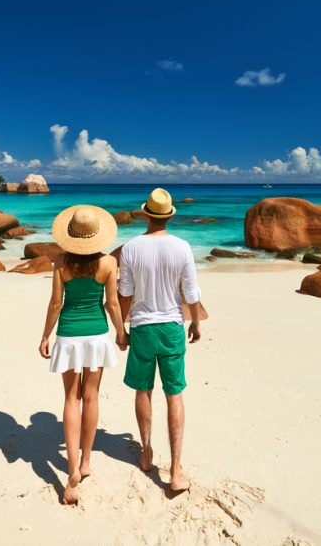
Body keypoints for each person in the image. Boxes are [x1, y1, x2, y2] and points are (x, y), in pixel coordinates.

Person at [39, 205, 128, 505]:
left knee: (70, 399)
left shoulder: (61, 261)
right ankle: (85, 462)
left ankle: (72, 468)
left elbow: (55, 303)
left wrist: (44, 336)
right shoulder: (108, 264)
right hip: (96, 336)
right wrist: (120, 332)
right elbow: (113, 304)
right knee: (90, 397)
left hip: (68, 334)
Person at [118, 187, 202, 492]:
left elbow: (124, 294)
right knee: (174, 394)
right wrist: (195, 322)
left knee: (143, 391)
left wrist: (120, 329)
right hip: (170, 327)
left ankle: (146, 451)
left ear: (146, 214)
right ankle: (176, 470)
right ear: (168, 216)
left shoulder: (130, 247)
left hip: (141, 327)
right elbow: (191, 292)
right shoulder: (182, 247)